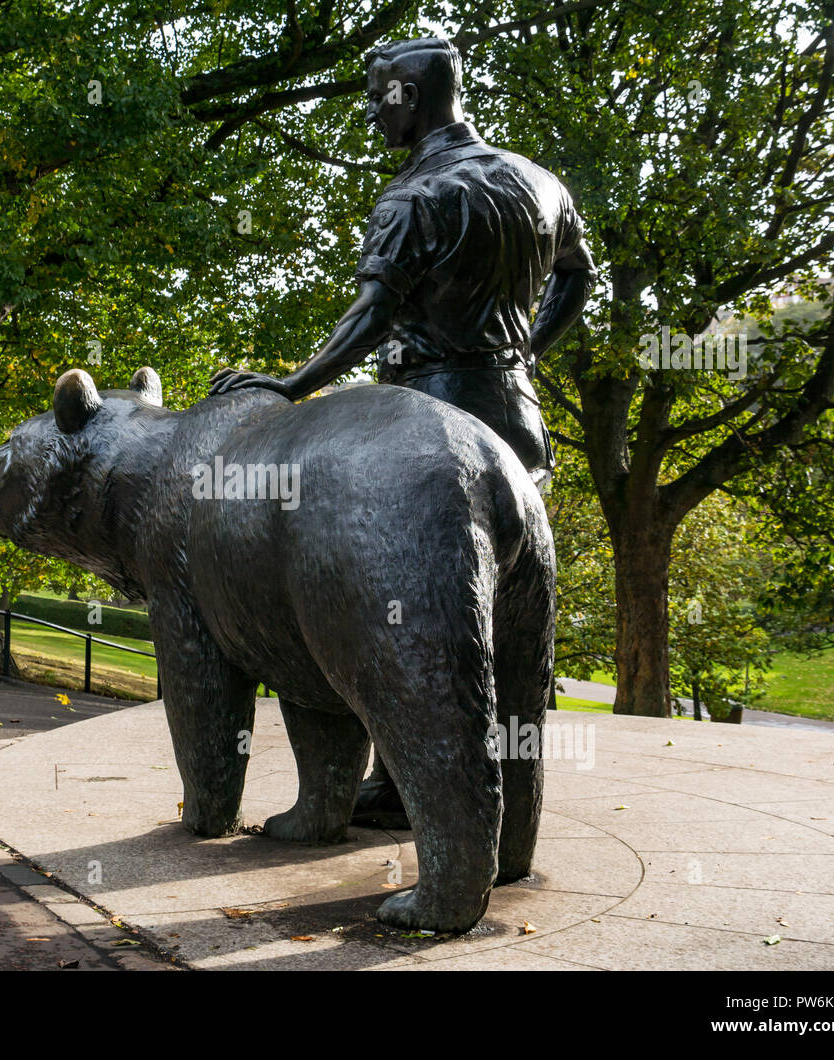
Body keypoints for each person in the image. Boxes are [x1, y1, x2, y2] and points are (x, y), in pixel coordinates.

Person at [209, 36, 597, 827]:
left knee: (420, 619)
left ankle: (451, 818)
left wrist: (290, 385)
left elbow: (373, 314)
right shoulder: (540, 182)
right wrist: (520, 353)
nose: (367, 111)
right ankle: (466, 805)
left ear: (409, 98)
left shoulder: (414, 198)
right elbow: (579, 280)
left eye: (376, 95)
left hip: (428, 426)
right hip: (518, 424)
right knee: (503, 624)